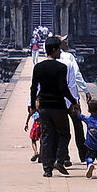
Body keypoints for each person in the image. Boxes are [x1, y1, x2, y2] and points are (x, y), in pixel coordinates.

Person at [30, 37, 76, 176]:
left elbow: (33, 88)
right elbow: (63, 88)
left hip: (43, 106)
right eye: (59, 49)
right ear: (54, 50)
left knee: (47, 136)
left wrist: (32, 106)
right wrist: (74, 101)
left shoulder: (38, 67)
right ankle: (59, 160)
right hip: (58, 106)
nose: (60, 53)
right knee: (65, 134)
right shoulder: (61, 67)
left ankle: (47, 169)